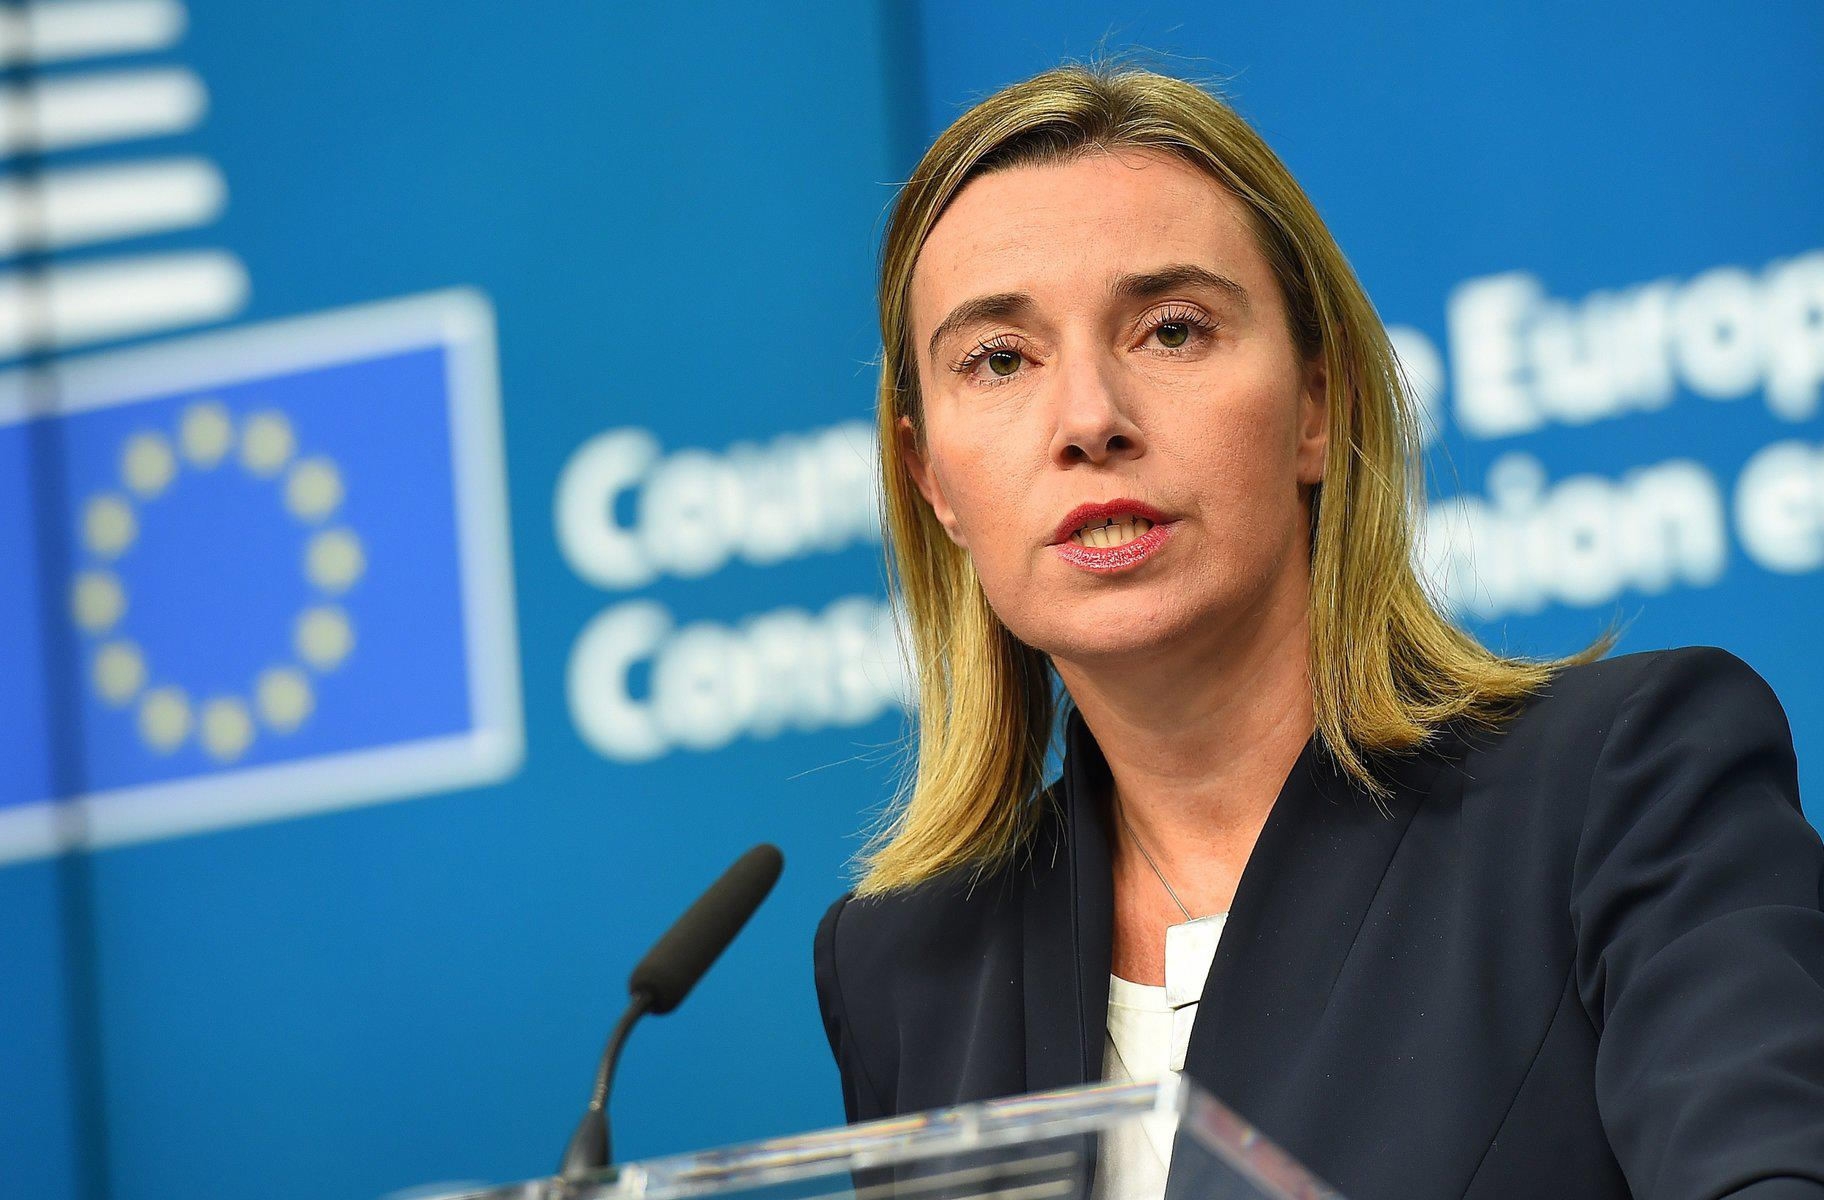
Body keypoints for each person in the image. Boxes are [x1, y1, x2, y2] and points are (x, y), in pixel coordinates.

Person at [812, 62, 1824, 1200]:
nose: (1089, 419)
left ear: (1316, 400)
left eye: (1171, 331)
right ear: (931, 480)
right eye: (1000, 360)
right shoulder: (909, 963)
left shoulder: (1622, 782)